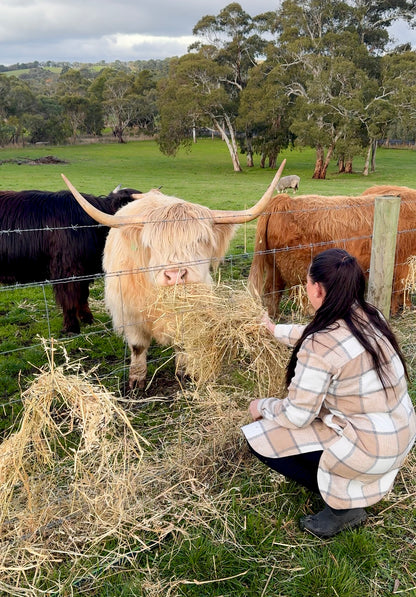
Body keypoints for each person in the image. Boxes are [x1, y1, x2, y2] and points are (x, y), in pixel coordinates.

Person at [241, 248, 416, 538]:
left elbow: (297, 414)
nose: (306, 287)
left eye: (307, 282)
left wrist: (263, 405)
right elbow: (317, 333)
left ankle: (345, 506)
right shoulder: (370, 316)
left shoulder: (320, 345)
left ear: (318, 289)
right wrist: (274, 329)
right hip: (399, 437)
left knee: (260, 434)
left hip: (372, 451)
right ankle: (354, 483)